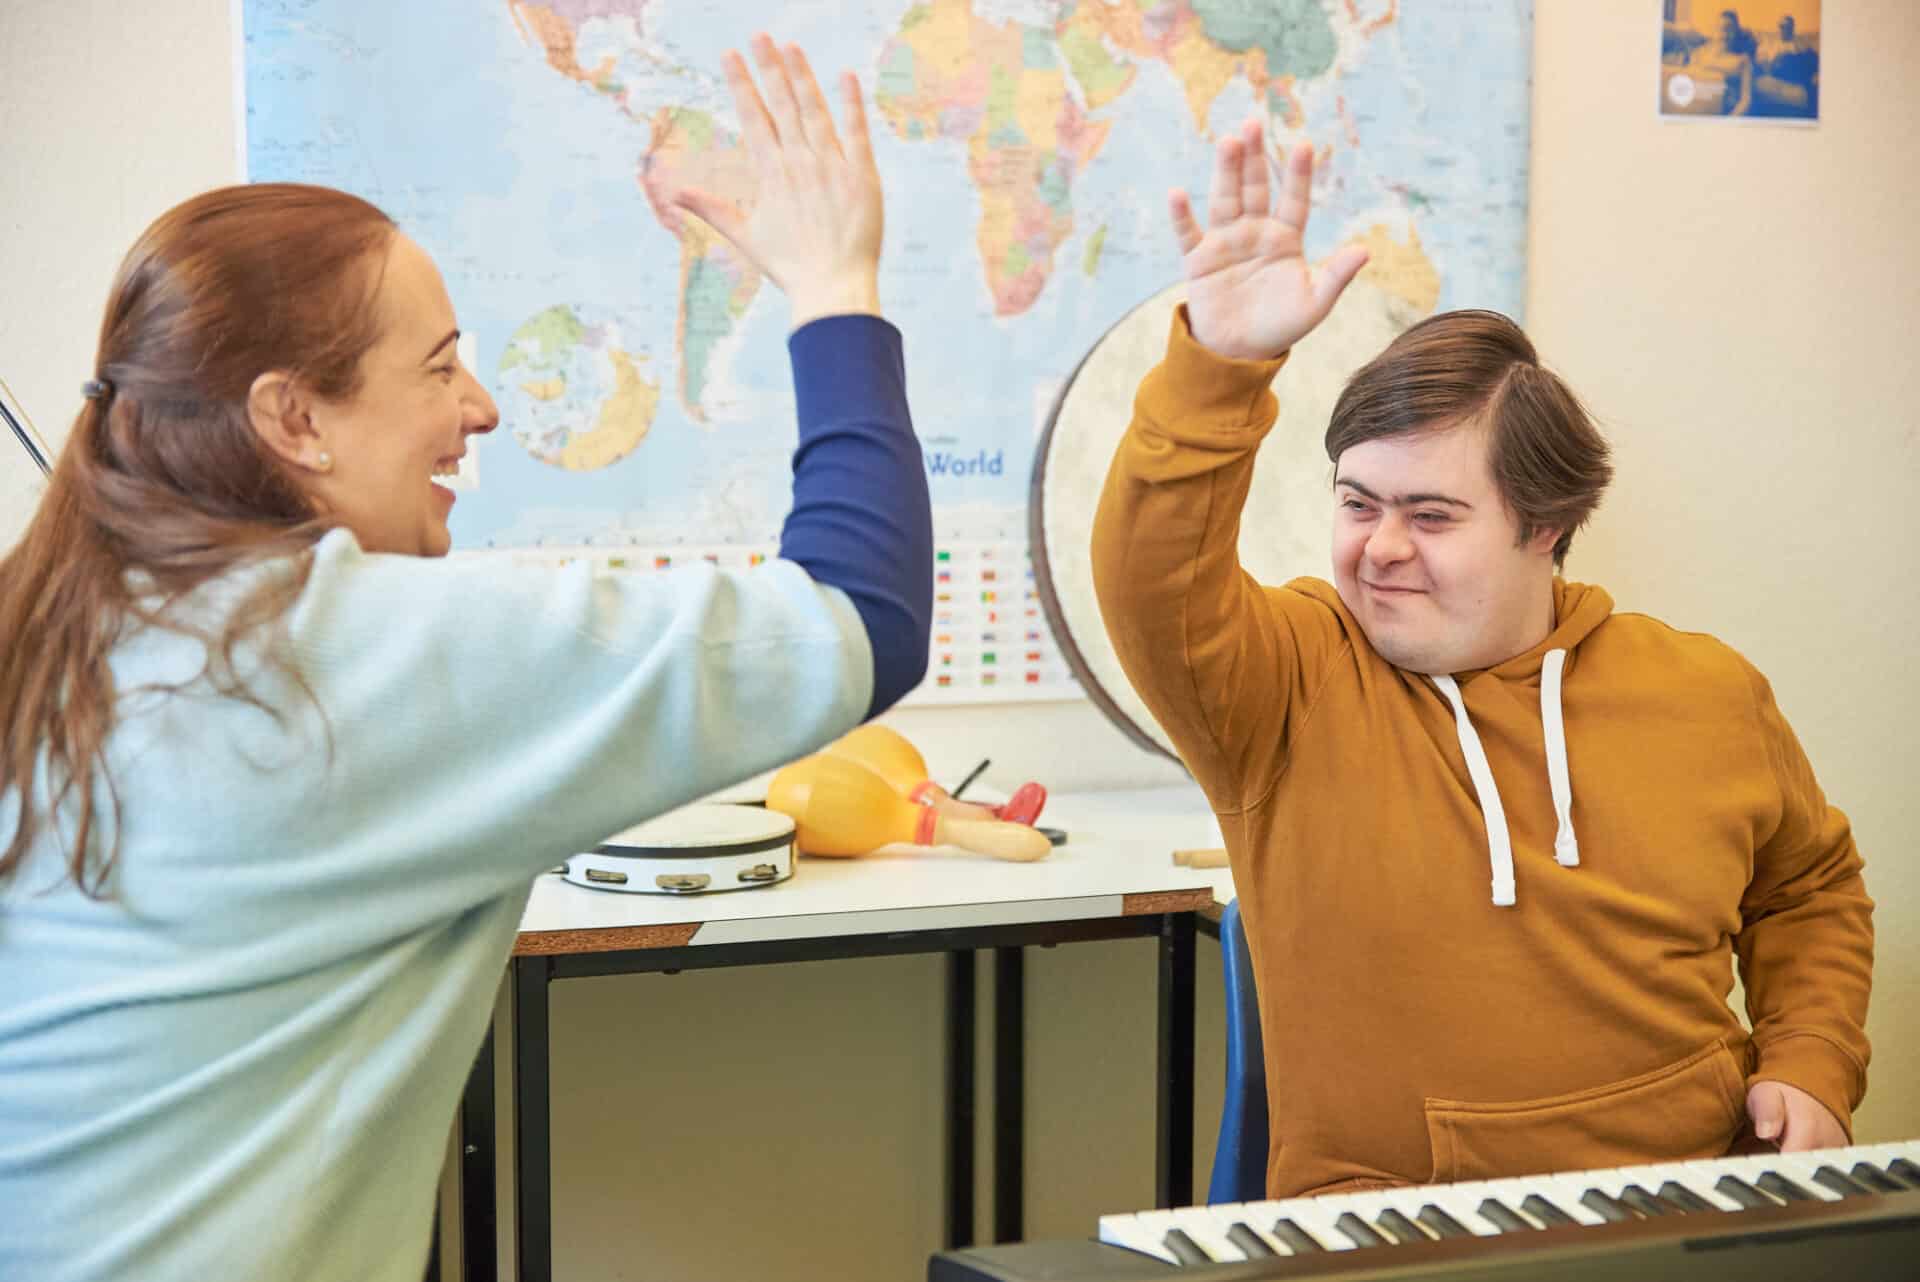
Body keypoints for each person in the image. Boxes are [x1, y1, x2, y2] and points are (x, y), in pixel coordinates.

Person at [0, 36, 930, 1282]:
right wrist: (837, 288)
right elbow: (862, 615)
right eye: (440, 367)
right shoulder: (335, 657)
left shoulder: (61, 626)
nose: (482, 406)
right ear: (293, 417)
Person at [1092, 120, 1872, 1201]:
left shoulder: (1707, 690)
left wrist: (1814, 1061)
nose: (1382, 546)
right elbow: (1152, 583)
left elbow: (1809, 886)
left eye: (1432, 512)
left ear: (1545, 525)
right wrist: (1218, 370)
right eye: (1357, 503)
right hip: (1386, 1237)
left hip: (1691, 1219)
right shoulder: (1287, 687)